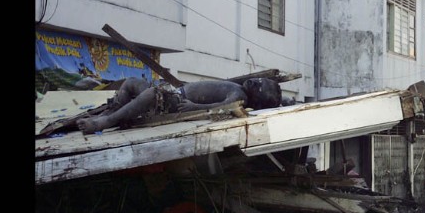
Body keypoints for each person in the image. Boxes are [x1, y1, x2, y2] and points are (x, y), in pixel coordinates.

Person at [76, 77, 282, 134]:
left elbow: (221, 108)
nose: (256, 82)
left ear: (258, 99)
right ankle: (114, 113)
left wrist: (193, 107)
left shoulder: (239, 96)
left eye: (260, 87)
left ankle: (104, 122)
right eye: (260, 80)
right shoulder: (239, 88)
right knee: (130, 82)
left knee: (151, 94)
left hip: (177, 102)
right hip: (175, 93)